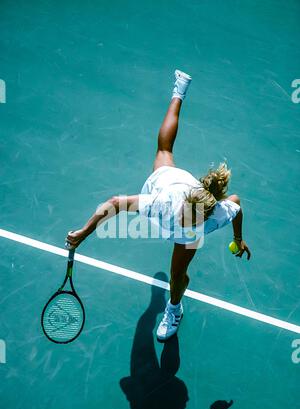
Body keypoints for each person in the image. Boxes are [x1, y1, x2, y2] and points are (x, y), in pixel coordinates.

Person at [66, 70, 251, 341]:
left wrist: (238, 238)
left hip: (186, 229)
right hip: (171, 183)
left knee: (178, 276)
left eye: (190, 221)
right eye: (184, 216)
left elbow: (236, 203)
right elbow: (115, 204)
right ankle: (179, 92)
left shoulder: (214, 216)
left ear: (204, 218)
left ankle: (174, 308)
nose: (184, 221)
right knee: (164, 150)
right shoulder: (163, 203)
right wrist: (84, 232)